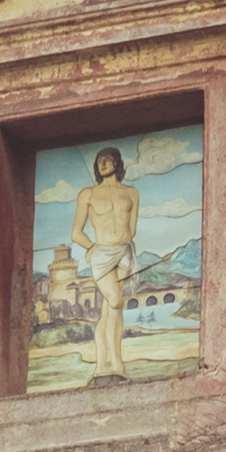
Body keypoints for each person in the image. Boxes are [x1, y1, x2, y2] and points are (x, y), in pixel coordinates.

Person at [69, 146, 138, 384]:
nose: (103, 163)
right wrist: (90, 248)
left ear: (117, 163)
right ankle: (110, 363)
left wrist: (123, 246)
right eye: (99, 160)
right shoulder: (88, 194)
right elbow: (76, 233)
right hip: (102, 254)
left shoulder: (131, 193)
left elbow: (133, 229)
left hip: (124, 254)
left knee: (112, 308)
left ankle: (107, 365)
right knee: (115, 300)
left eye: (108, 159)